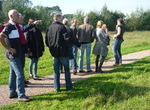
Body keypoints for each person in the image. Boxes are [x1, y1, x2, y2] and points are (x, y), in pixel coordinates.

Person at [0, 9, 30, 102]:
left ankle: (12, 92)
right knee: (20, 74)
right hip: (13, 55)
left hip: (18, 54)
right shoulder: (9, 26)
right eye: (16, 15)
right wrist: (8, 49)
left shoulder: (16, 26)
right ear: (11, 16)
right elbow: (1, 36)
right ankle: (21, 95)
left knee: (13, 74)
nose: (18, 16)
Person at [45, 14, 73, 92]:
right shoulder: (61, 27)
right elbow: (66, 38)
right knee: (67, 70)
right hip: (63, 52)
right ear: (57, 18)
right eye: (61, 18)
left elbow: (47, 40)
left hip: (54, 52)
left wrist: (51, 47)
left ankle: (56, 88)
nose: (62, 19)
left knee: (56, 71)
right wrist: (70, 45)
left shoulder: (49, 28)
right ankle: (69, 86)